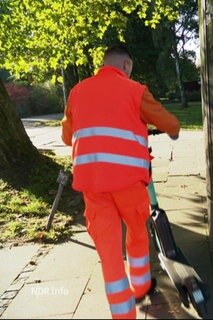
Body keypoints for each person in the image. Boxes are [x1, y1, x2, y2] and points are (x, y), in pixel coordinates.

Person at [61, 44, 181, 319]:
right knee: (137, 234)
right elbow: (170, 124)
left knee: (108, 250)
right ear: (126, 65)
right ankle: (141, 286)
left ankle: (123, 314)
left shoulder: (77, 91)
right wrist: (173, 132)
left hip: (92, 185)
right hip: (129, 184)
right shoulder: (135, 90)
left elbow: (67, 137)